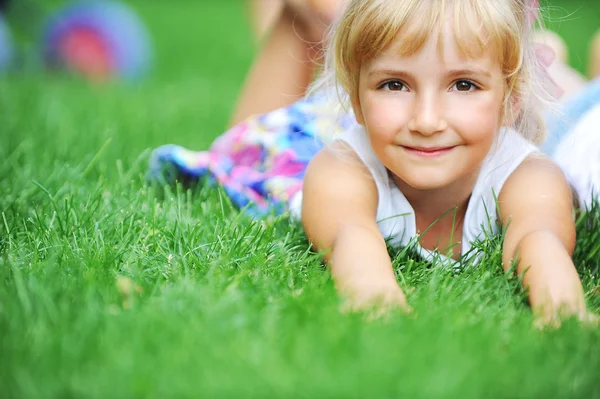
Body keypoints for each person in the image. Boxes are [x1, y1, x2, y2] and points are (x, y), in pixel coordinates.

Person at [150, 0, 599, 325]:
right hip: (329, 131)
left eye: (463, 85)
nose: (426, 120)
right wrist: (383, 311)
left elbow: (538, 235)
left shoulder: (529, 173)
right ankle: (297, 15)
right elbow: (351, 236)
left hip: (509, 101)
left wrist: (564, 313)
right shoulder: (340, 168)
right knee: (246, 148)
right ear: (355, 98)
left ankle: (550, 58)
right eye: (395, 85)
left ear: (510, 99)